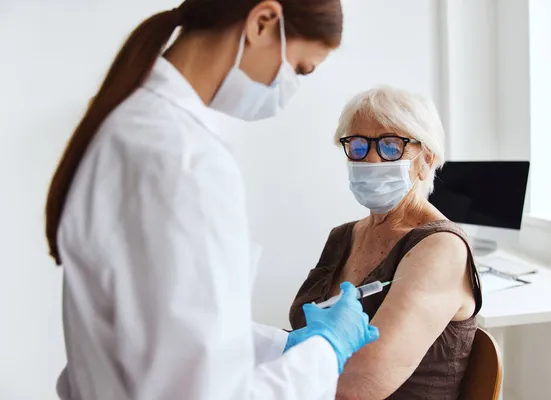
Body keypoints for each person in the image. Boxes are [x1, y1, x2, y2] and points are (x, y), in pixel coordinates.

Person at [46, 1, 379, 399]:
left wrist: (283, 345)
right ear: (263, 21)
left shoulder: (135, 126)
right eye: (299, 69)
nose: (288, 91)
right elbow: (203, 390)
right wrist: (326, 351)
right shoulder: (183, 157)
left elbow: (160, 327)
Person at [289, 87, 482, 400]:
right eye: (358, 145)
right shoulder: (343, 236)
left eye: (392, 145)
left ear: (427, 159)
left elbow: (359, 387)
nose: (372, 159)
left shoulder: (440, 248)